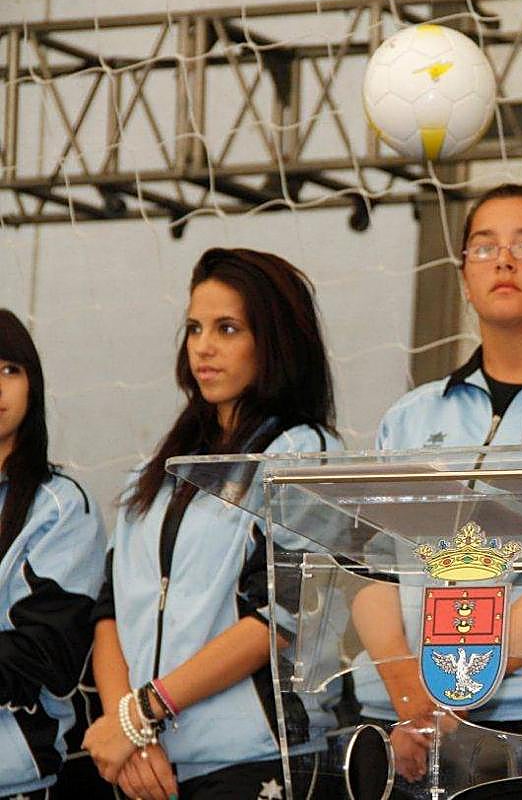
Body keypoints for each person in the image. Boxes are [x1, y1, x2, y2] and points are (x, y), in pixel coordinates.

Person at [349, 183, 522, 798]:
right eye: (484, 247)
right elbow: (368, 571)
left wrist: (451, 696)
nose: (504, 260)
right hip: (398, 725)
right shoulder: (410, 416)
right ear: (464, 276)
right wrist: (412, 699)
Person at [84, 248, 342, 800]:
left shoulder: (305, 454)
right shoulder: (157, 471)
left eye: (227, 329)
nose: (203, 346)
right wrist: (126, 728)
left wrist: (141, 713)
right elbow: (109, 609)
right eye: (195, 328)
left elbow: (281, 615)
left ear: (274, 340)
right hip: (148, 764)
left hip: (260, 762)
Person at [0, 310, 107, 800]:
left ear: (33, 385)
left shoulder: (61, 506)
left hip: (16, 777)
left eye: (10, 370)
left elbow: (45, 651)